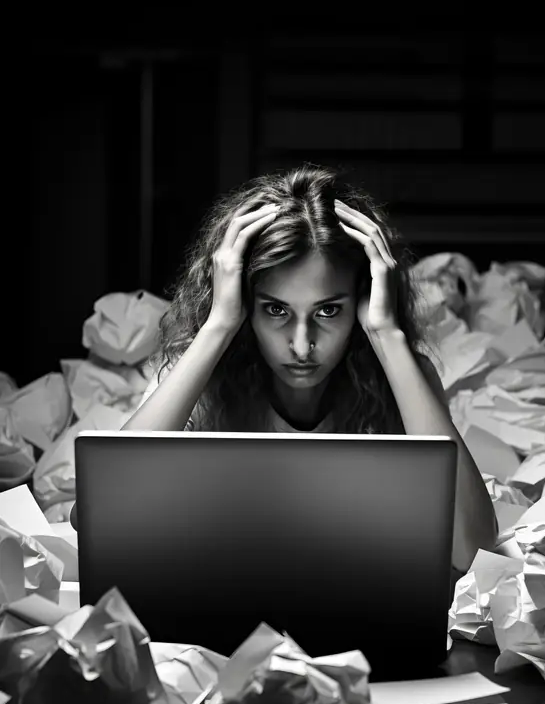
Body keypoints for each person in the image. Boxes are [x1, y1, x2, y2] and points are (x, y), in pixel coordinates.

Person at [71, 164, 497, 572]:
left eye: (328, 310)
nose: (301, 345)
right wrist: (219, 325)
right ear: (243, 303)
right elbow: (102, 514)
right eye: (276, 309)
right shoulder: (206, 374)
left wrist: (387, 335)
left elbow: (473, 548)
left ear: (363, 301)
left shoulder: (402, 373)